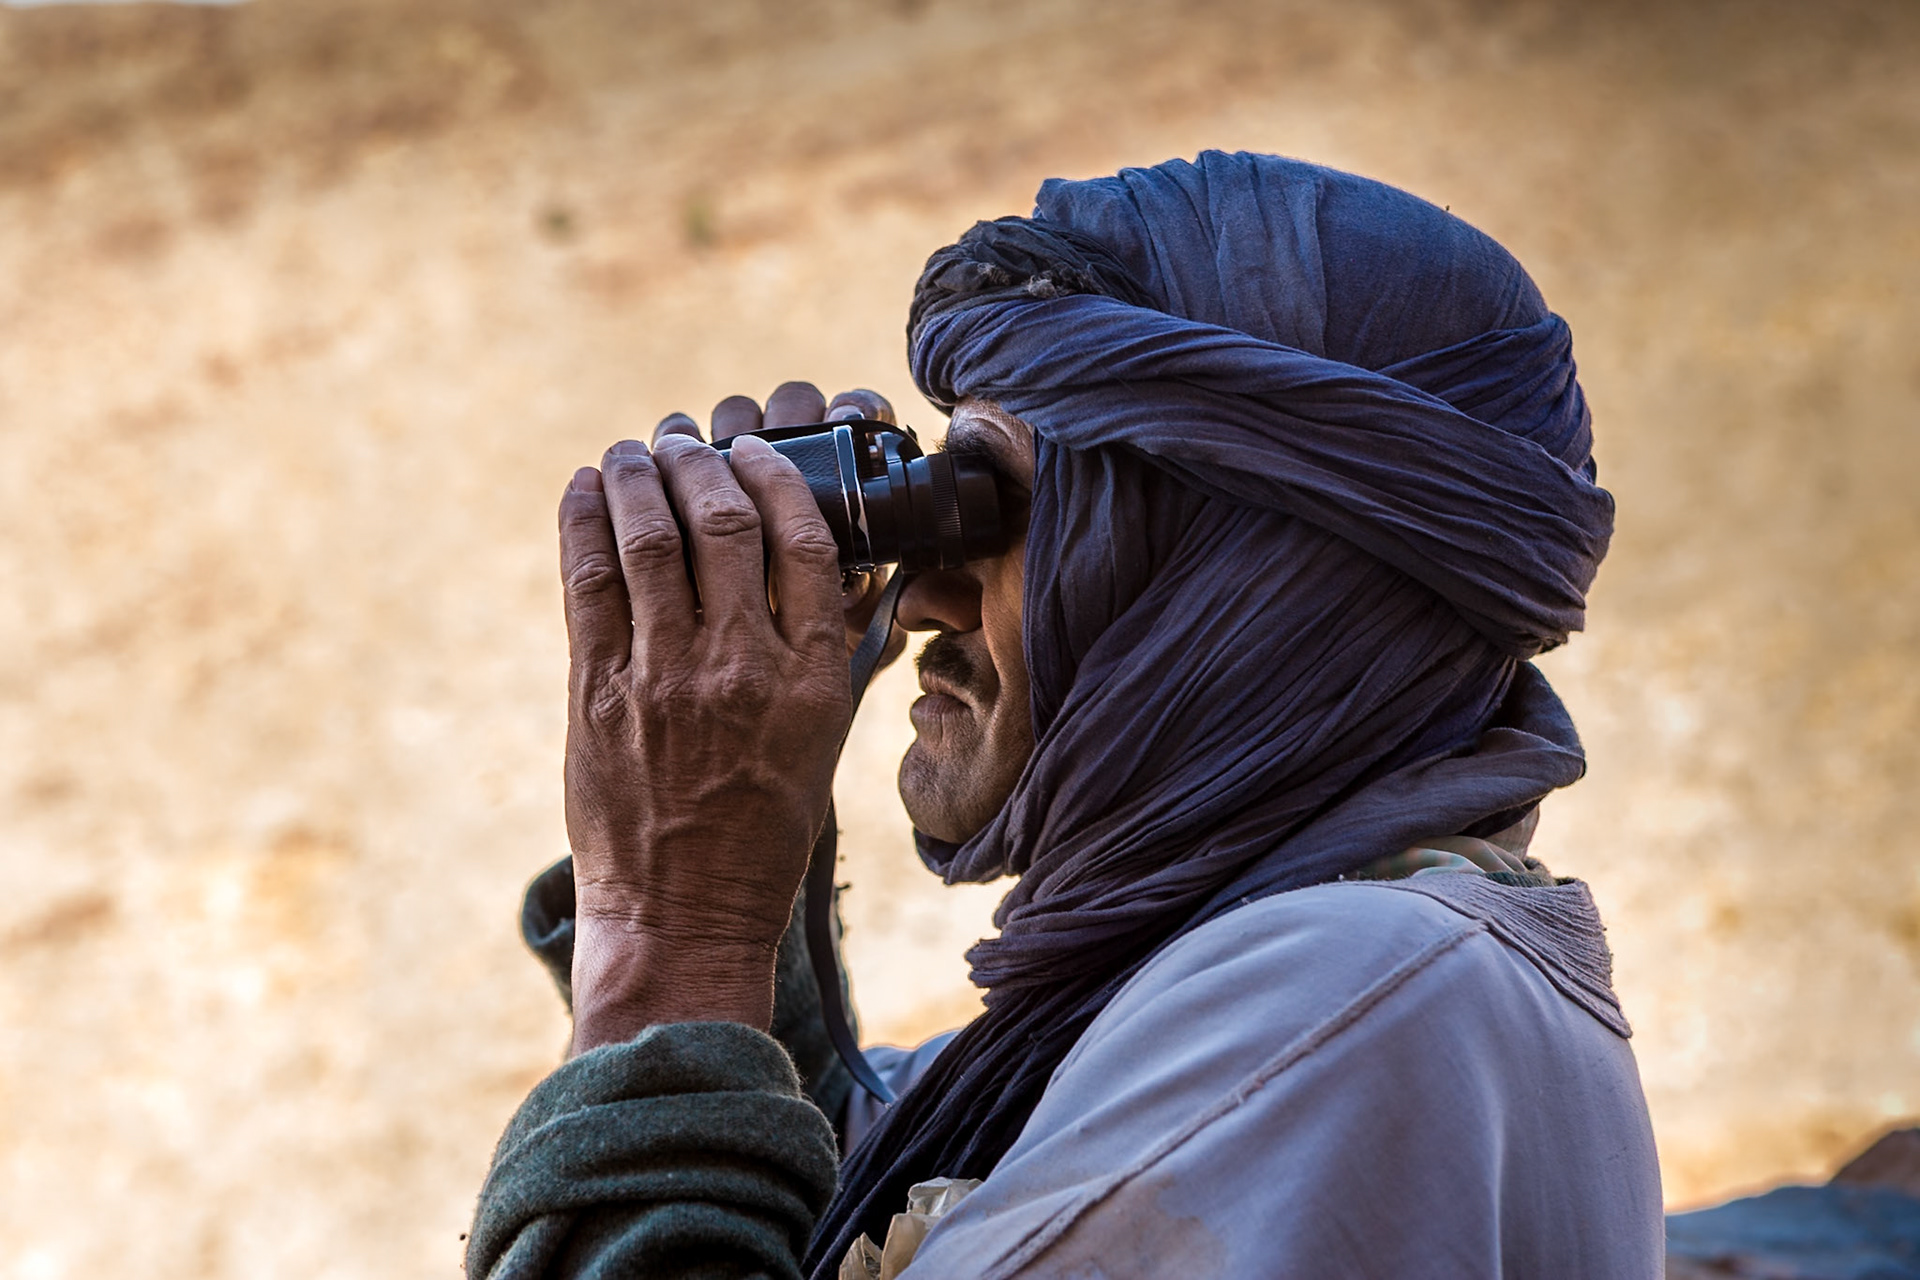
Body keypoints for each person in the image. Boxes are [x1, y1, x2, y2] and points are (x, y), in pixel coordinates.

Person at [466, 151, 1665, 1279]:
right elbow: (868, 1182)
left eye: (997, 505)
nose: (925, 593)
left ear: (1228, 588)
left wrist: (670, 932)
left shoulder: (1336, 1009)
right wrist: (738, 848)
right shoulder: (1253, 993)